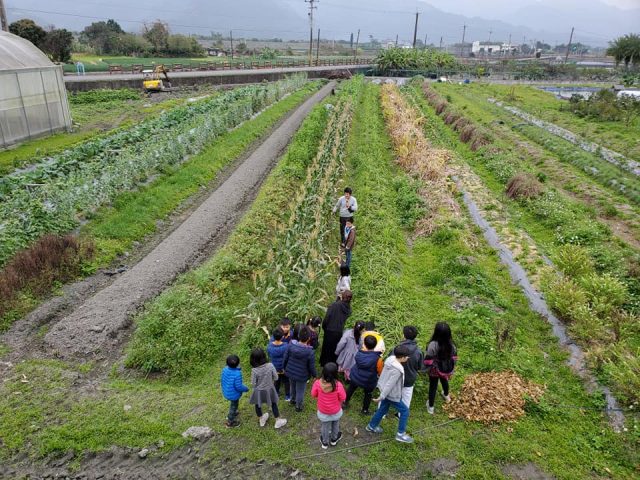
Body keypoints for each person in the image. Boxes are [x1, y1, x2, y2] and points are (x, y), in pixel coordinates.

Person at [365, 345, 414, 444]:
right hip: (392, 394)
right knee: (405, 411)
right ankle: (400, 434)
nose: (408, 358)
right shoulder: (397, 370)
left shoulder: (390, 359)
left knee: (383, 409)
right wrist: (381, 397)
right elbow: (390, 385)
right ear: (403, 357)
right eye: (407, 356)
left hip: (385, 391)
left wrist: (383, 395)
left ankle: (371, 426)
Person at [344, 334, 383, 414]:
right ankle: (365, 410)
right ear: (375, 345)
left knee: (351, 388)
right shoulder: (378, 359)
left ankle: (345, 402)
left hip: (356, 376)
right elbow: (379, 371)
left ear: (364, 344)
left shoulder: (359, 353)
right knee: (368, 394)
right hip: (368, 381)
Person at [249, 348, 287, 429]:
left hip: (258, 391)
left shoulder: (254, 370)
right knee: (273, 404)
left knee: (257, 404)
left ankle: (261, 419)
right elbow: (276, 378)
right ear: (264, 356)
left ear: (253, 359)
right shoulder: (270, 365)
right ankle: (277, 421)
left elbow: (253, 383)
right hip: (269, 389)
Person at [425, 322, 458, 414]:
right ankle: (446, 395)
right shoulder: (452, 345)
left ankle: (431, 407)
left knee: (433, 386)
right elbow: (455, 358)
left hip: (435, 370)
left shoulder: (433, 345)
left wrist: (425, 368)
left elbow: (428, 360)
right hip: (446, 369)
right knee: (444, 381)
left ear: (436, 332)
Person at [311, 362, 346, 449]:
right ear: (335, 374)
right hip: (336, 411)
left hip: (323, 411)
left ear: (323, 372)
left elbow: (313, 394)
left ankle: (325, 442)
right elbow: (343, 397)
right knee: (335, 424)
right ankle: (334, 440)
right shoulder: (338, 385)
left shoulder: (317, 383)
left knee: (325, 426)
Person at [283, 326, 317, 412]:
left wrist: (284, 367)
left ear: (298, 336)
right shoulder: (310, 352)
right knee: (300, 391)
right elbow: (311, 366)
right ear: (309, 338)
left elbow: (285, 358)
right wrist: (314, 375)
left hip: (290, 372)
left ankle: (292, 400)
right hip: (302, 376)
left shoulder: (291, 345)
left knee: (292, 387)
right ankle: (298, 406)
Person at [320, 290, 353, 366]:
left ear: (342, 296)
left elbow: (327, 317)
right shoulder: (349, 309)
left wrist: (324, 326)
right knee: (335, 348)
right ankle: (333, 364)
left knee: (326, 348)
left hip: (329, 330)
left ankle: (324, 363)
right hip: (339, 331)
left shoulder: (334, 305)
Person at [395, 326, 424, 410]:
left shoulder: (397, 348)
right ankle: (401, 415)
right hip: (410, 379)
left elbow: (390, 361)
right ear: (415, 337)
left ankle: (382, 414)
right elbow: (420, 367)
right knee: (406, 399)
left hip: (396, 377)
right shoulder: (419, 352)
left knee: (388, 395)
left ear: (403, 335)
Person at [221, 354, 249, 428]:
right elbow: (239, 386)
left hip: (226, 391)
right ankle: (230, 422)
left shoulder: (224, 369)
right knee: (233, 406)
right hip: (233, 395)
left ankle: (233, 413)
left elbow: (223, 379)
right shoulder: (237, 374)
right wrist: (246, 389)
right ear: (238, 363)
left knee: (234, 405)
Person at [267, 327, 290, 401]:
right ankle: (287, 396)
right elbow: (288, 356)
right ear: (283, 336)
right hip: (284, 368)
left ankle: (276, 393)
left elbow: (269, 355)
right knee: (286, 381)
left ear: (273, 336)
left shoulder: (269, 346)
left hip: (275, 368)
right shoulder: (286, 345)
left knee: (276, 381)